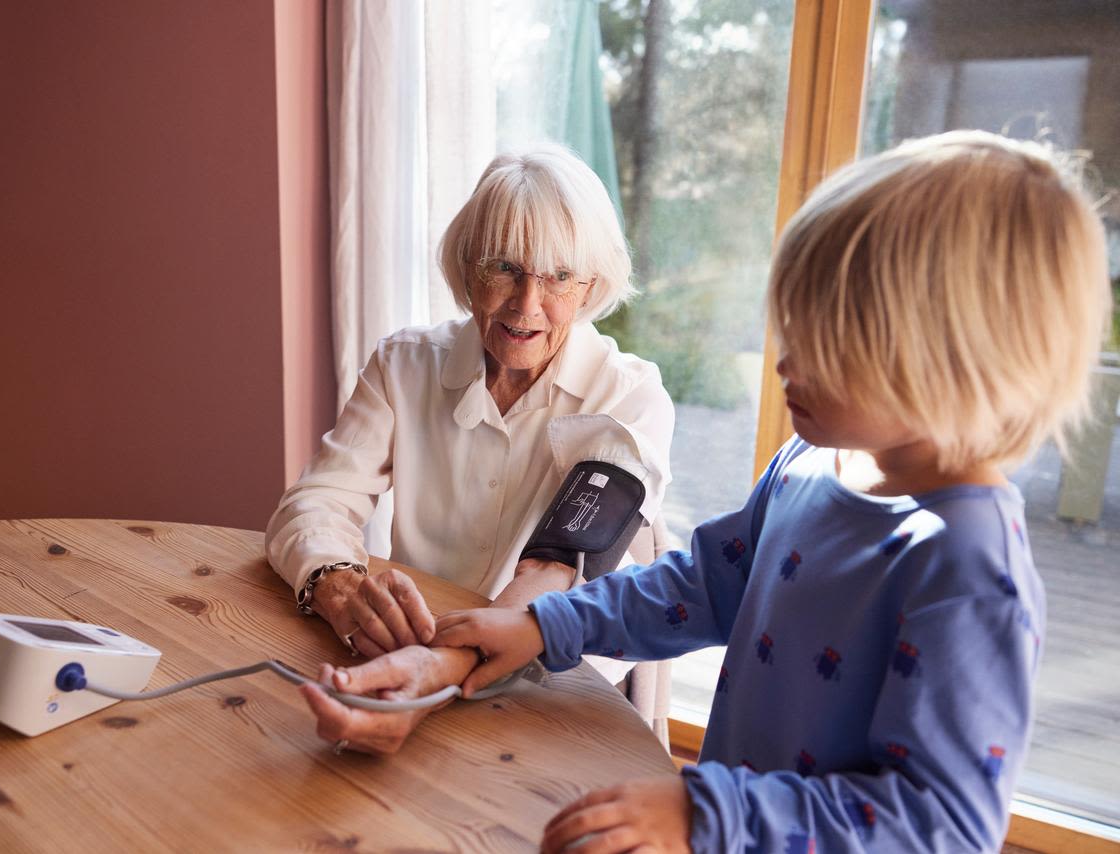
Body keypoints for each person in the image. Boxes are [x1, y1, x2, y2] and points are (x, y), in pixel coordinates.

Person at [432, 131, 1112, 852]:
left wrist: (710, 813)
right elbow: (700, 585)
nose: (785, 360)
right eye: (789, 326)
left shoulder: (971, 572)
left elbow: (939, 824)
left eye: (824, 344)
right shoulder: (811, 465)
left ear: (948, 362)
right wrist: (547, 625)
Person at [267, 143, 675, 754]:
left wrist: (440, 669)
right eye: (504, 267)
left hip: (556, 693)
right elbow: (316, 501)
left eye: (559, 276)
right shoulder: (403, 364)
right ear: (467, 265)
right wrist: (338, 584)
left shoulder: (631, 395)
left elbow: (557, 565)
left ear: (590, 282)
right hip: (415, 657)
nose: (526, 305)